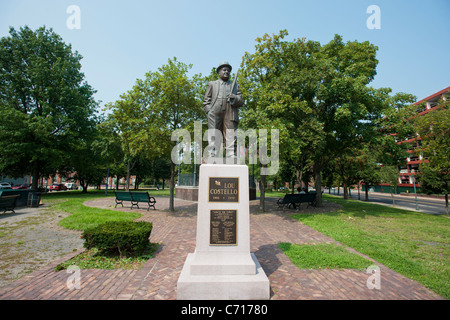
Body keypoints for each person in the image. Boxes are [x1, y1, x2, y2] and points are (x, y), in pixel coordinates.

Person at [203, 61, 244, 159]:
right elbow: (206, 100)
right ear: (219, 72)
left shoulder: (235, 85)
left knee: (230, 133)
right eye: (224, 70)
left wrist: (235, 97)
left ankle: (230, 153)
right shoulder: (212, 84)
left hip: (230, 111)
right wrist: (209, 111)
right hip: (215, 111)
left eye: (228, 70)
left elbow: (241, 100)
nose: (226, 72)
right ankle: (213, 154)